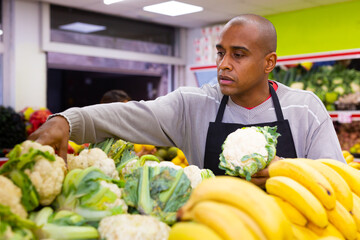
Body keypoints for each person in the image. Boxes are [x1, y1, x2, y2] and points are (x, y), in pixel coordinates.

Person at [28, 14, 345, 188]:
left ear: (268, 62)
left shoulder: (305, 108)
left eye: (239, 55)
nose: (223, 64)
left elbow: (337, 182)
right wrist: (67, 119)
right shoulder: (192, 104)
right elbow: (127, 116)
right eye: (221, 52)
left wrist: (284, 171)